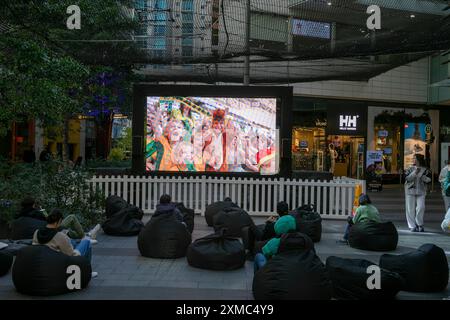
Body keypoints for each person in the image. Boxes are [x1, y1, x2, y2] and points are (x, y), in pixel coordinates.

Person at [32, 209, 97, 277]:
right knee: (86, 243)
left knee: (72, 241)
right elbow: (71, 255)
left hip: (44, 262)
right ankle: (88, 272)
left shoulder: (36, 232)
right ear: (59, 221)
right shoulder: (59, 236)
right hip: (60, 264)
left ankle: (83, 238)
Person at [404, 154, 431, 232]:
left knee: (421, 207)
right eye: (413, 158)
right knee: (410, 209)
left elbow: (429, 180)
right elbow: (407, 179)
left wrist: (421, 176)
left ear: (419, 159)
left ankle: (419, 223)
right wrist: (414, 173)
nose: (413, 160)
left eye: (415, 158)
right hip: (410, 191)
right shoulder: (410, 168)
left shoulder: (425, 169)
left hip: (421, 191)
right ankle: (412, 225)